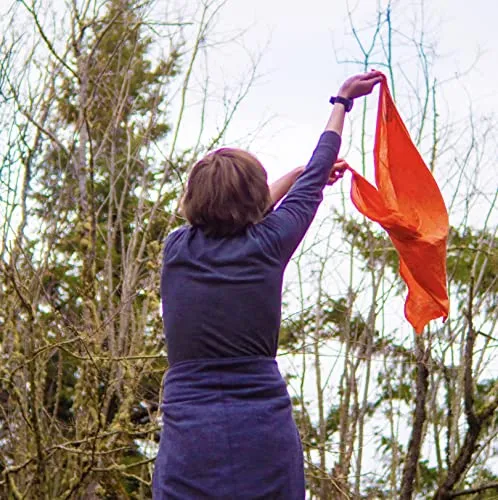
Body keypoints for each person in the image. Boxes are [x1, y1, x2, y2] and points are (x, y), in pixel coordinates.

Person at [153, 71, 383, 499]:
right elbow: (315, 175)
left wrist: (293, 177)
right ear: (256, 202)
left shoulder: (176, 249)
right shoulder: (268, 244)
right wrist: (342, 101)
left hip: (190, 437)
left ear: (192, 199)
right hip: (261, 430)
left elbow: (257, 203)